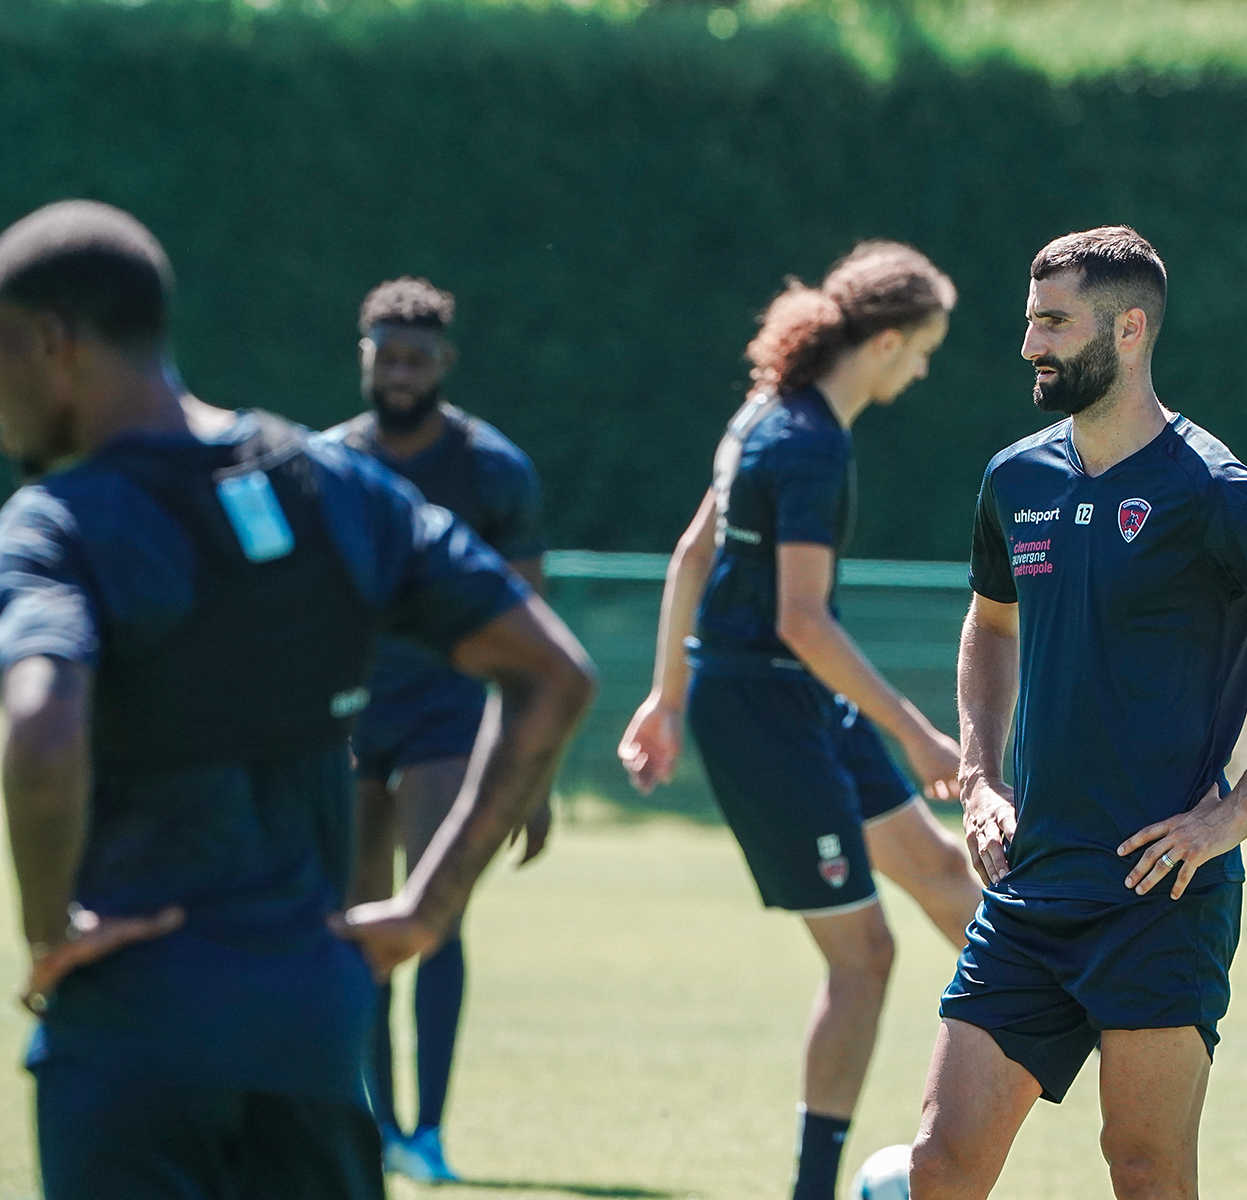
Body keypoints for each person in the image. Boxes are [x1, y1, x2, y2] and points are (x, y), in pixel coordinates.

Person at [0, 200, 596, 1200]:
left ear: (55, 343)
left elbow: (40, 729)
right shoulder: (340, 487)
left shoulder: (57, 523)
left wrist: (49, 928)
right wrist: (429, 907)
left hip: (132, 1027)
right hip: (314, 1032)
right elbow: (556, 673)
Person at [908, 227, 1247, 1200]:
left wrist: (1235, 812)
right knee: (940, 1162)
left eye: (1054, 322)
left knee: (1143, 1168)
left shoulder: (1213, 490)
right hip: (1032, 882)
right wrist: (980, 777)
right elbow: (990, 624)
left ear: (1128, 330)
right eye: (1029, 320)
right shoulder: (1015, 479)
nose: (1030, 344)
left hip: (1159, 893)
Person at [618, 241, 983, 1200]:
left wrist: (666, 694)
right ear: (888, 341)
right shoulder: (811, 444)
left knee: (945, 874)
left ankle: (1074, 1039)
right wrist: (914, 731)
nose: (922, 371)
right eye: (924, 350)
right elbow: (801, 620)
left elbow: (694, 554)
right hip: (764, 710)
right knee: (865, 957)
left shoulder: (765, 415)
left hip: (792, 697)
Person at [325, 276, 547, 1183]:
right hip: (346, 716)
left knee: (435, 915)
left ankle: (430, 1134)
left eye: (418, 358)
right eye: (387, 355)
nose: (401, 372)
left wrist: (531, 778)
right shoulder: (328, 463)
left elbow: (532, 634)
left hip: (449, 715)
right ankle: (375, 1123)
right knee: (356, 921)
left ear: (445, 363)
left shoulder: (492, 469)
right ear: (365, 355)